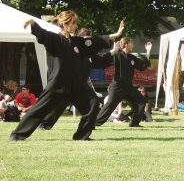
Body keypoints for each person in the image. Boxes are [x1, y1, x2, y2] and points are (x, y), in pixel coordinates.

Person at [9, 11, 121, 141]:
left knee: (93, 103)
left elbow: (94, 41)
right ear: (65, 24)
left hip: (76, 86)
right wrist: (33, 23)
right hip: (58, 84)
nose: (76, 26)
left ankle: (81, 136)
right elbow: (43, 34)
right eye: (73, 23)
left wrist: (115, 35)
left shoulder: (77, 42)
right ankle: (17, 134)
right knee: (39, 109)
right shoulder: (56, 40)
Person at [37, 23, 124, 130]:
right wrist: (115, 34)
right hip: (68, 84)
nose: (89, 42)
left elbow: (99, 61)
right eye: (87, 39)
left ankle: (89, 126)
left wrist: (113, 51)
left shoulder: (89, 54)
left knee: (93, 104)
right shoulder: (74, 49)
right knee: (58, 106)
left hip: (80, 86)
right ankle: (44, 124)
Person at [95, 37, 152, 127]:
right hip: (117, 86)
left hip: (128, 86)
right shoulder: (118, 55)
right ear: (126, 44)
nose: (133, 45)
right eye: (131, 43)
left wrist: (148, 52)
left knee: (141, 101)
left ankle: (134, 123)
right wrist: (115, 50)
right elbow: (108, 59)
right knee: (109, 106)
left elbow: (142, 66)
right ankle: (95, 123)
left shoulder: (131, 57)